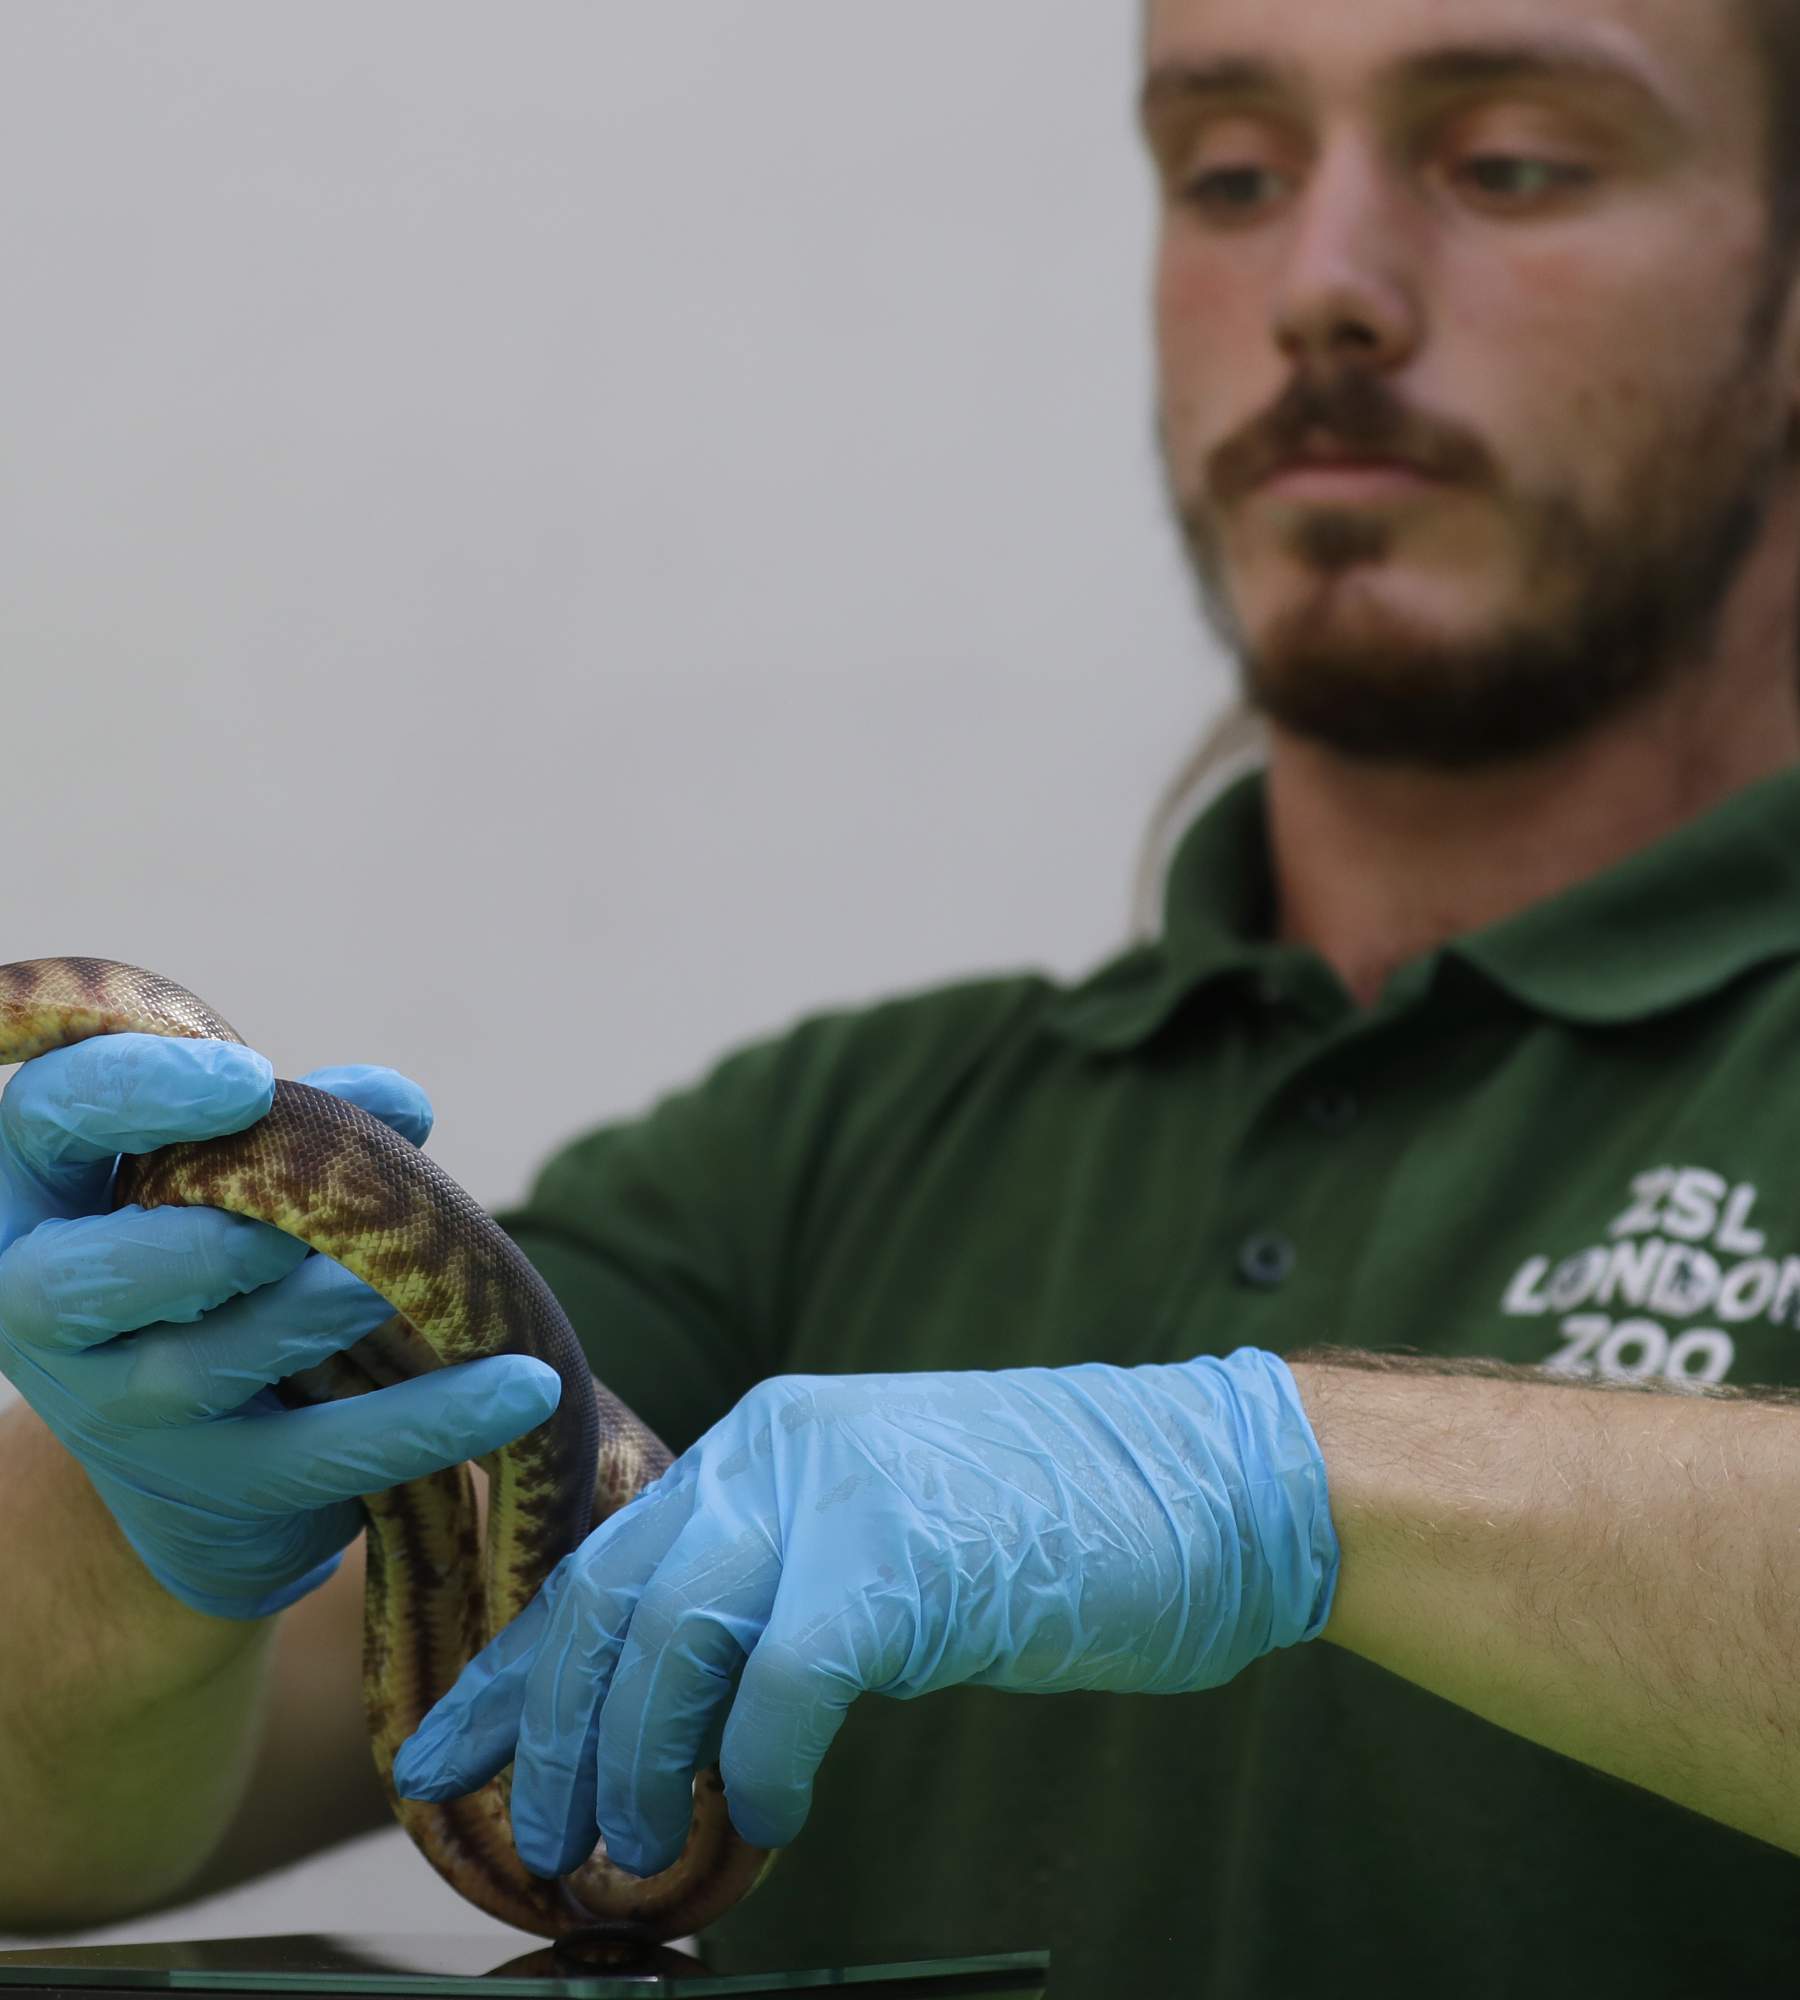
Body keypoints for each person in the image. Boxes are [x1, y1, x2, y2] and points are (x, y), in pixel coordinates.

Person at [6, 0, 1800, 1989]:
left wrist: (1280, 1479)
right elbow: (54, 1818)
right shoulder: (833, 1154)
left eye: (1509, 163)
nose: (1328, 288)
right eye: (1228, 173)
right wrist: (140, 1513)